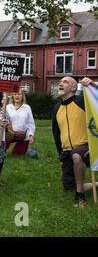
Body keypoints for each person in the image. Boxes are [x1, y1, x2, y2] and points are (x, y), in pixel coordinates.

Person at [52, 76, 98, 205]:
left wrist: (93, 86)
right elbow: (56, 133)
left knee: (77, 156)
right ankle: (93, 185)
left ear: (73, 87)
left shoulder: (83, 100)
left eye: (65, 82)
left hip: (85, 146)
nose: (60, 84)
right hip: (66, 151)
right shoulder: (56, 108)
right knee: (68, 187)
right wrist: (59, 154)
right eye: (60, 82)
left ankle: (80, 194)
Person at [5, 90, 36, 156]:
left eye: (19, 94)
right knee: (0, 151)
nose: (17, 96)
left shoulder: (27, 107)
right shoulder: (7, 107)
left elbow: (31, 123)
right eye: (15, 94)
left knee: (17, 155)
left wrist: (31, 135)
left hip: (22, 135)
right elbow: (3, 120)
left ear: (22, 96)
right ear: (13, 96)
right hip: (9, 134)